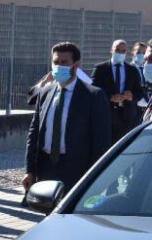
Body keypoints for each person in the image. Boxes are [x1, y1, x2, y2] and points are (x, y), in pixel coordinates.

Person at [24, 42, 112, 194]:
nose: (59, 66)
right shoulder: (45, 93)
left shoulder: (93, 95)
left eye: (64, 62)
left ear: (76, 65)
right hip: (46, 167)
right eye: (56, 62)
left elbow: (101, 140)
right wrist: (29, 170)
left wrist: (96, 176)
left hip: (77, 170)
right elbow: (34, 132)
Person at [91, 39, 143, 144]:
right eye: (117, 50)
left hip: (128, 117)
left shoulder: (132, 70)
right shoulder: (100, 68)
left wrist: (131, 95)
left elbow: (139, 91)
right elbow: (94, 89)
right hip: (107, 115)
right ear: (111, 50)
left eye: (123, 51)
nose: (120, 53)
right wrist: (110, 97)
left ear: (126, 52)